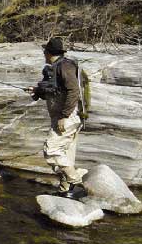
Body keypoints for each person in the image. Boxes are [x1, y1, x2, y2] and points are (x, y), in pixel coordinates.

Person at [28, 38, 88, 197]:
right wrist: (37, 90)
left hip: (67, 118)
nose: (43, 53)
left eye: (44, 51)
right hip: (66, 117)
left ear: (48, 53)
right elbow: (55, 90)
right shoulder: (56, 67)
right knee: (66, 155)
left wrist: (64, 116)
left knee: (52, 150)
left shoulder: (65, 67)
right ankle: (66, 190)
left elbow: (73, 91)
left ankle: (77, 183)